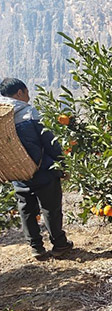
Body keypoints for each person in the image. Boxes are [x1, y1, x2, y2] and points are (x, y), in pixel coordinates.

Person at [0, 78, 73, 260]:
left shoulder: (2, 118)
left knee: (26, 209)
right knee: (50, 208)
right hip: (43, 170)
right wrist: (62, 164)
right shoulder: (29, 113)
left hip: (18, 173)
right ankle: (59, 245)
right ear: (19, 93)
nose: (28, 96)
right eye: (26, 92)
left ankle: (36, 248)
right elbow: (49, 142)